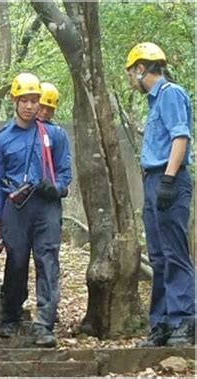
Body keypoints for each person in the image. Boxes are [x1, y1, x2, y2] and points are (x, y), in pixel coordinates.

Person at [0, 73, 72, 347]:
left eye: (34, 100)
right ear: (15, 101)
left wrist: (56, 187)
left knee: (48, 262)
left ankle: (44, 323)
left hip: (46, 207)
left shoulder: (55, 135)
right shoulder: (1, 139)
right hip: (16, 208)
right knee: (17, 261)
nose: (30, 106)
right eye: (24, 100)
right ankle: (11, 315)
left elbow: (64, 172)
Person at [125, 42, 195, 347]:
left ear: (141, 69)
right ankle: (163, 323)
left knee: (174, 252)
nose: (130, 80)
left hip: (169, 180)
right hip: (153, 181)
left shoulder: (170, 94)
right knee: (158, 256)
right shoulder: (154, 103)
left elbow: (181, 136)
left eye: (130, 74)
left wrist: (168, 179)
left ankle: (184, 321)